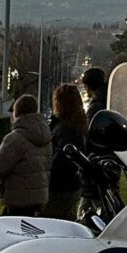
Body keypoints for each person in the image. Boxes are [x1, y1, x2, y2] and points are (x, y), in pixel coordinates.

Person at [42, 83, 88, 220]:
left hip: (59, 186)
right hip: (73, 184)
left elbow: (61, 159)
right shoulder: (78, 125)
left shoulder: (63, 129)